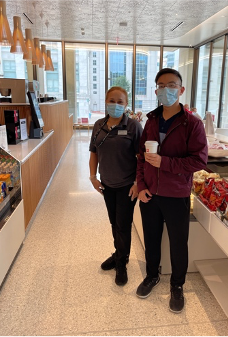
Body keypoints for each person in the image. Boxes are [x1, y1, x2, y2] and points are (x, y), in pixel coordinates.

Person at [136, 68, 208, 313]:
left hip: (176, 194)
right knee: (151, 239)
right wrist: (142, 185)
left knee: (178, 243)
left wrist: (164, 163)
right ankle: (152, 275)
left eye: (172, 85)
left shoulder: (193, 124)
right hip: (150, 194)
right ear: (156, 90)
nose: (166, 90)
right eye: (161, 86)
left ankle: (177, 285)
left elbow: (199, 160)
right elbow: (140, 157)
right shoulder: (151, 121)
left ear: (181, 89)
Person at [89, 86, 143, 286]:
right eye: (112, 100)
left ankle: (121, 262)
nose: (116, 105)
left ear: (126, 104)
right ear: (105, 102)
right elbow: (93, 152)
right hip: (107, 184)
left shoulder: (133, 126)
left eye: (120, 102)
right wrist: (93, 177)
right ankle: (120, 253)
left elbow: (142, 157)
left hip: (127, 185)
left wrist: (138, 182)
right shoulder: (98, 125)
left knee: (123, 225)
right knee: (114, 222)